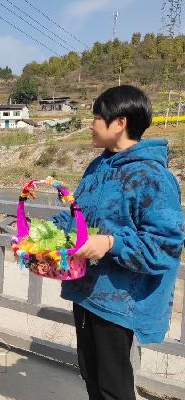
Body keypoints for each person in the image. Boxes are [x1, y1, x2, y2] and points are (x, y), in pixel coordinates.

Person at [50, 85, 184, 400]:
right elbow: (75, 216)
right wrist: (44, 231)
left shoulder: (152, 177)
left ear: (119, 123)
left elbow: (166, 244)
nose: (91, 124)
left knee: (114, 388)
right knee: (90, 375)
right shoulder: (97, 168)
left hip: (120, 302)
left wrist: (111, 243)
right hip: (86, 292)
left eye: (97, 117)